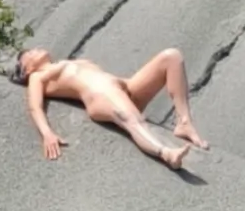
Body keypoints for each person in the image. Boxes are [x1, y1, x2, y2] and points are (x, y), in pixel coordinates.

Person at [17, 44, 209, 169]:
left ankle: (184, 122)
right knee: (133, 120)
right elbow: (35, 106)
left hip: (125, 88)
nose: (35, 49)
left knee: (172, 57)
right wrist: (47, 133)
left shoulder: (68, 62)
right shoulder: (38, 77)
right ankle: (166, 153)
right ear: (27, 69)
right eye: (29, 54)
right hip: (101, 96)